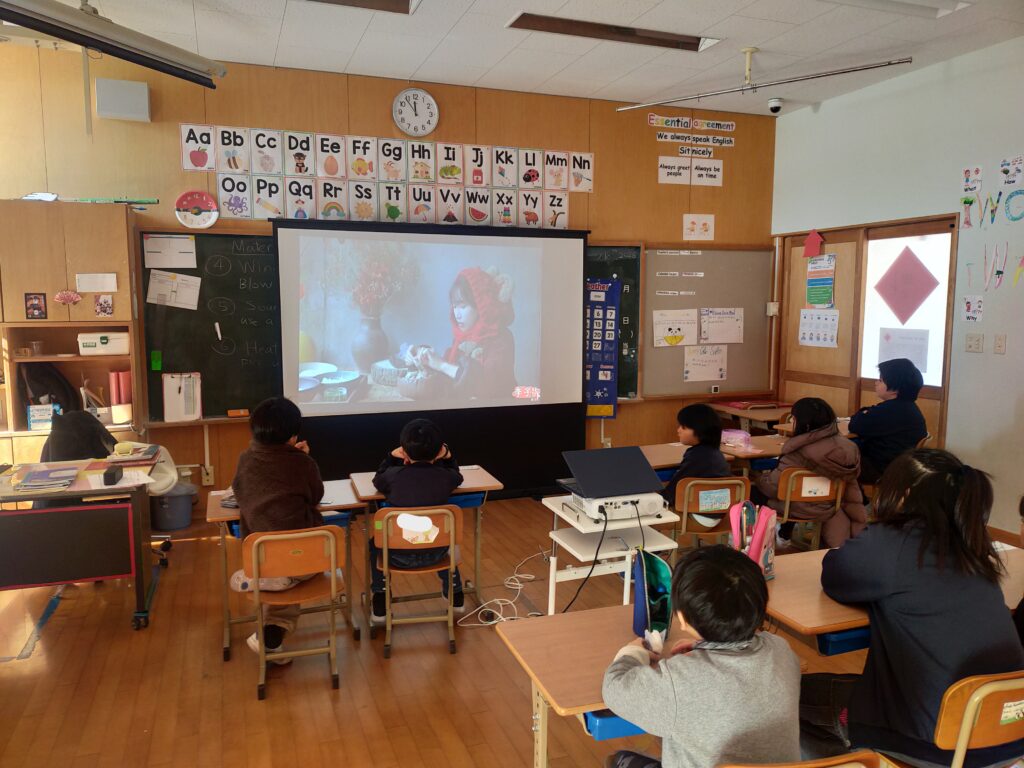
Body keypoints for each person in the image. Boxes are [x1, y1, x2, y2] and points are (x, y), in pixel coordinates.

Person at [800, 449, 1024, 767]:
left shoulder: (895, 543)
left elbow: (835, 573)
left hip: (934, 748)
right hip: (1007, 735)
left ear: (904, 495)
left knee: (788, 695)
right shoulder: (974, 547)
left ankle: (862, 756)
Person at [602, 545, 801, 768]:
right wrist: (705, 647)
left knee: (619, 760)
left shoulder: (679, 682)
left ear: (682, 619)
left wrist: (634, 652)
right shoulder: (781, 650)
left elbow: (614, 688)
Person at [232, 397, 324, 662]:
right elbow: (316, 495)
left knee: (279, 564)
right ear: (293, 436)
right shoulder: (302, 464)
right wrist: (302, 457)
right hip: (306, 557)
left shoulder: (245, 460)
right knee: (293, 563)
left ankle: (272, 636)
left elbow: (239, 490)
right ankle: (272, 632)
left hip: (260, 556)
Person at [369, 418, 464, 624]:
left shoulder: (393, 476)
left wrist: (390, 457)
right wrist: (448, 457)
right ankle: (455, 591)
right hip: (438, 553)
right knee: (447, 536)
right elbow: (457, 475)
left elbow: (378, 479)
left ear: (404, 450)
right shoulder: (446, 477)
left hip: (396, 555)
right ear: (439, 451)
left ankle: (380, 596)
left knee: (375, 541)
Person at [753, 398, 866, 548]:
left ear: (802, 423)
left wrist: (759, 478)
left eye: (793, 418)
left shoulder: (797, 451)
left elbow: (774, 487)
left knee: (755, 491)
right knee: (794, 490)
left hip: (797, 507)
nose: (792, 421)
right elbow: (852, 487)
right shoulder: (849, 448)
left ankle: (757, 539)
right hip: (831, 505)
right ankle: (784, 533)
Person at [407, 267, 516, 399]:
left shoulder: (501, 339)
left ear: (481, 306)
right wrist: (423, 357)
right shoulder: (462, 339)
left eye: (463, 306)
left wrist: (442, 365)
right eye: (454, 306)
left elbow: (487, 387)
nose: (457, 314)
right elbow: (448, 379)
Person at [849, 358, 927, 484]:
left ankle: (848, 495)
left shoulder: (892, 410)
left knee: (834, 459)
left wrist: (864, 413)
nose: (876, 383)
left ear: (895, 389)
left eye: (880, 380)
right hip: (899, 466)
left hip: (883, 469)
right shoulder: (907, 407)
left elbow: (855, 425)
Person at [661, 403, 731, 506]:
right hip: (719, 509)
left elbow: (672, 491)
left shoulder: (697, 457)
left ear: (699, 430)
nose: (678, 430)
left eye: (683, 427)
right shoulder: (714, 453)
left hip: (696, 511)